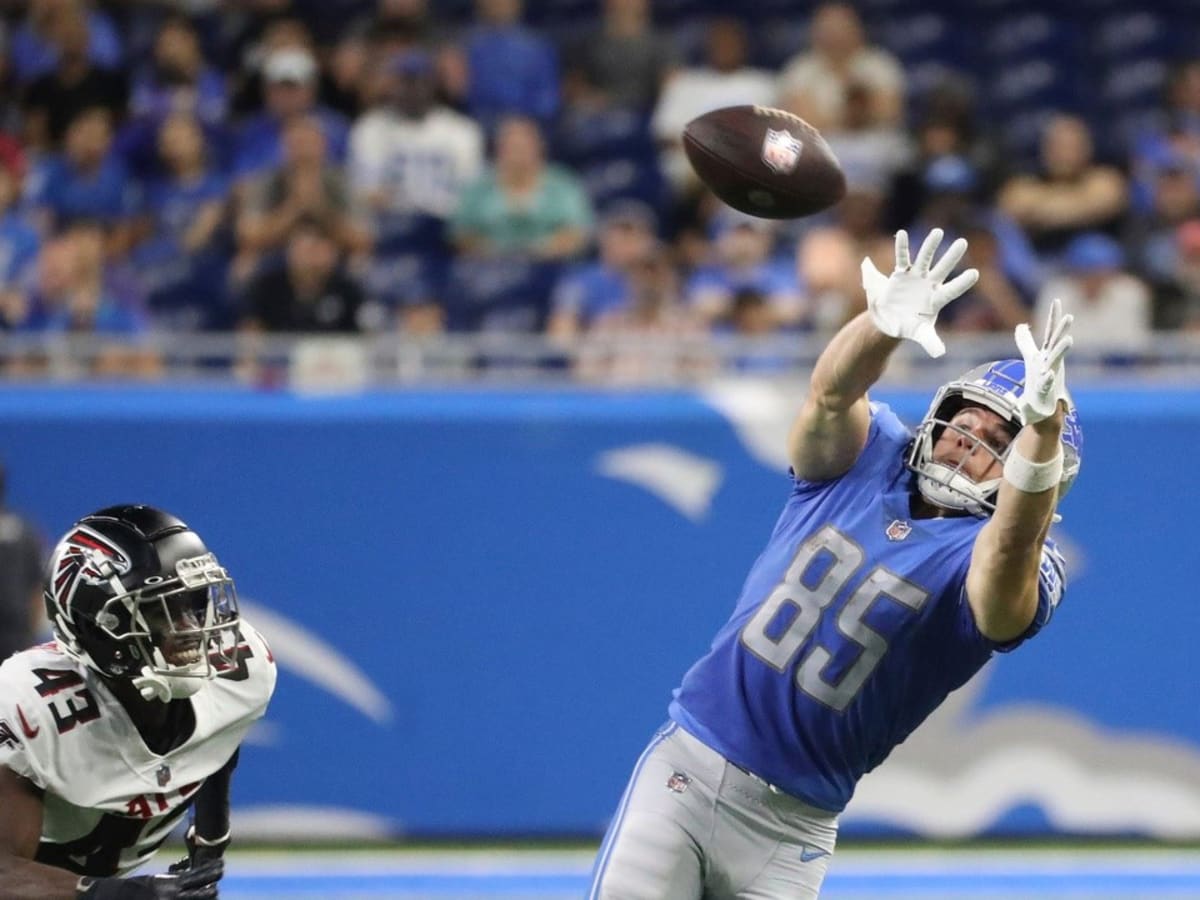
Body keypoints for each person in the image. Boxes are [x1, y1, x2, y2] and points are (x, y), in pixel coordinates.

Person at [588, 229, 1083, 900]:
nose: (971, 442)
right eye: (970, 420)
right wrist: (880, 327)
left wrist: (1041, 438)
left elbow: (1008, 554)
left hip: (794, 830)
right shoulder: (870, 455)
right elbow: (829, 396)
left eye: (1002, 441)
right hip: (689, 769)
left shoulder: (1013, 557)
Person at [0, 504, 276, 898]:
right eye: (156, 611)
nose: (192, 629)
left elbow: (218, 737)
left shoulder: (237, 667)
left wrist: (211, 842)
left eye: (194, 603)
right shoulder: (32, 707)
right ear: (97, 627)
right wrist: (120, 894)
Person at [0, 462, 44, 664]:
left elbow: (37, 585)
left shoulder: (23, 531)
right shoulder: (24, 528)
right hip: (18, 632)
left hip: (15, 632)